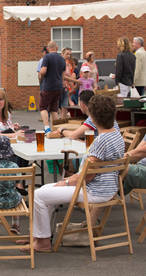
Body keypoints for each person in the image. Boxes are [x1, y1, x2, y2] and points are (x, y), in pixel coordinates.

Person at [23, 95, 124, 252]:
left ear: (94, 117)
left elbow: (88, 174)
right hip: (108, 188)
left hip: (92, 190)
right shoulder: (117, 136)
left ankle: (42, 242)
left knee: (38, 196)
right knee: (43, 192)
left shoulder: (101, 141)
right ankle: (38, 237)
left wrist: (67, 181)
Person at [38, 41, 81, 133]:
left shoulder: (47, 57)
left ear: (48, 49)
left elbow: (43, 71)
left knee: (43, 107)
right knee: (53, 108)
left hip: (48, 86)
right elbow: (63, 76)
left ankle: (47, 128)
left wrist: (41, 76)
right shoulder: (62, 59)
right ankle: (57, 128)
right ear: (57, 48)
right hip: (59, 87)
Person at [55, 90, 120, 140]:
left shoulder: (94, 117)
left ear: (82, 104)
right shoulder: (106, 115)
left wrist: (62, 130)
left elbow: (73, 135)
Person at [59, 47, 73, 119]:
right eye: (67, 54)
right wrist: (76, 81)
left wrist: (72, 88)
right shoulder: (58, 63)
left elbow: (69, 77)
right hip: (58, 87)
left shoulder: (67, 64)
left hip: (65, 87)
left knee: (64, 106)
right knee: (58, 107)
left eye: (70, 54)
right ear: (62, 54)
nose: (68, 56)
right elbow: (63, 76)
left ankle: (63, 120)